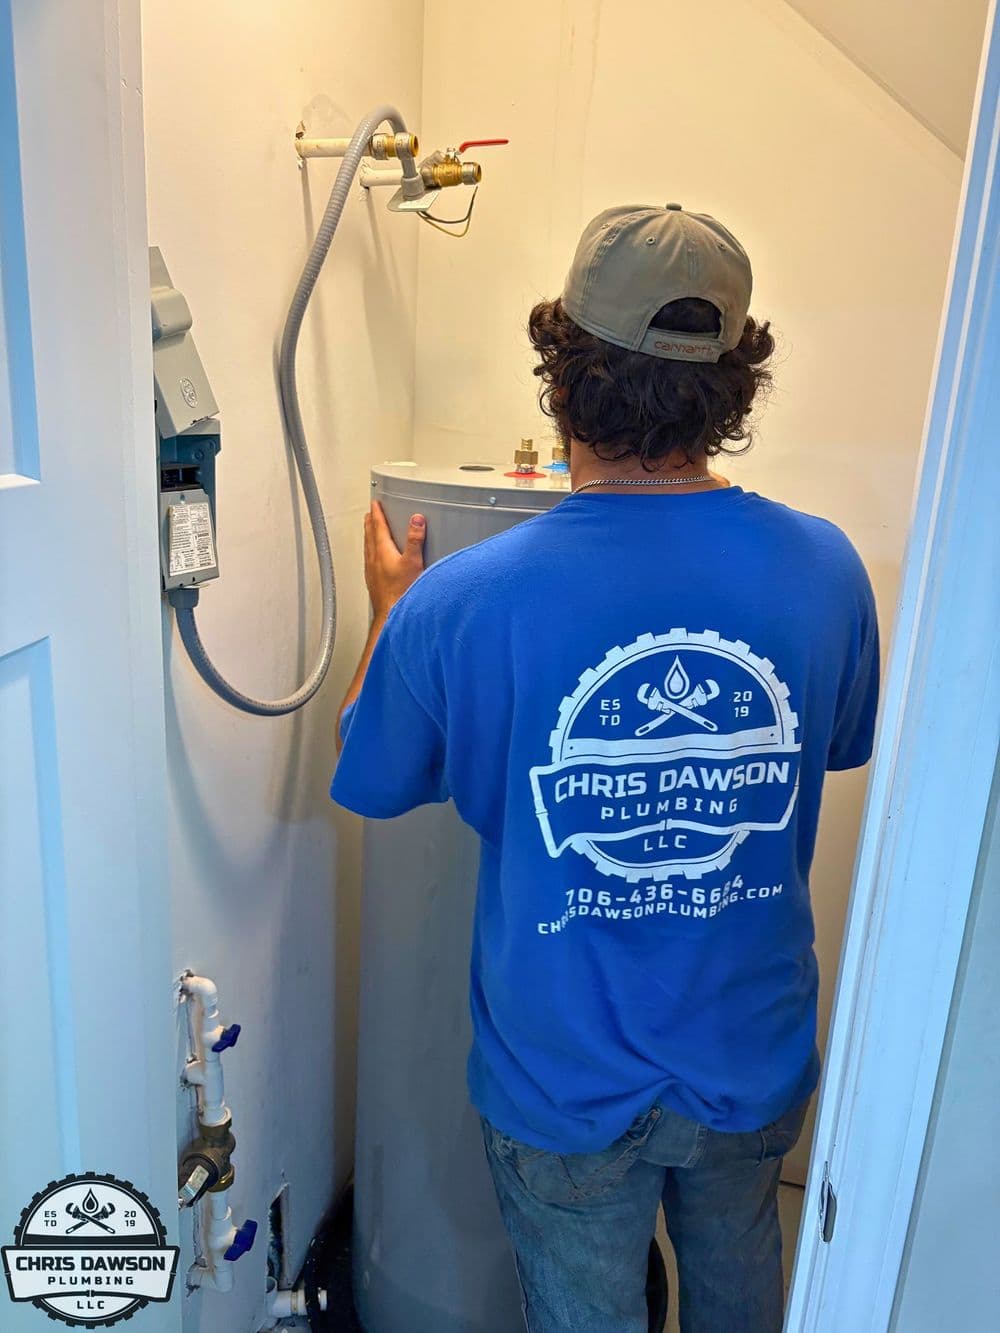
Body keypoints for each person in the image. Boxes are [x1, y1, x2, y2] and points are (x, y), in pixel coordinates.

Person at [331, 204, 879, 1333]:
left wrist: (389, 611)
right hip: (749, 1050)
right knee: (739, 1287)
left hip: (563, 1076)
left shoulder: (465, 599)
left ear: (562, 371)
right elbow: (832, 745)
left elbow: (374, 778)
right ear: (735, 382)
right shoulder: (826, 567)